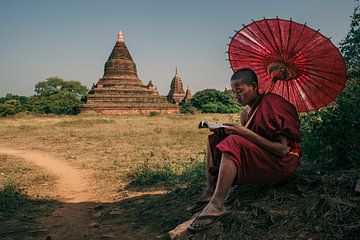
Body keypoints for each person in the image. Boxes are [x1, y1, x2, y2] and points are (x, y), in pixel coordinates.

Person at [188, 68, 302, 231]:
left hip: (283, 162)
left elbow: (282, 150)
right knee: (215, 139)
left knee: (234, 141)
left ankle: (217, 204)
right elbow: (249, 143)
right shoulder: (246, 114)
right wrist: (226, 131)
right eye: (234, 92)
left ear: (254, 86)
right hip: (264, 158)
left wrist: (243, 132)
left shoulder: (272, 104)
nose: (236, 97)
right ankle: (210, 190)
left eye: (240, 91)